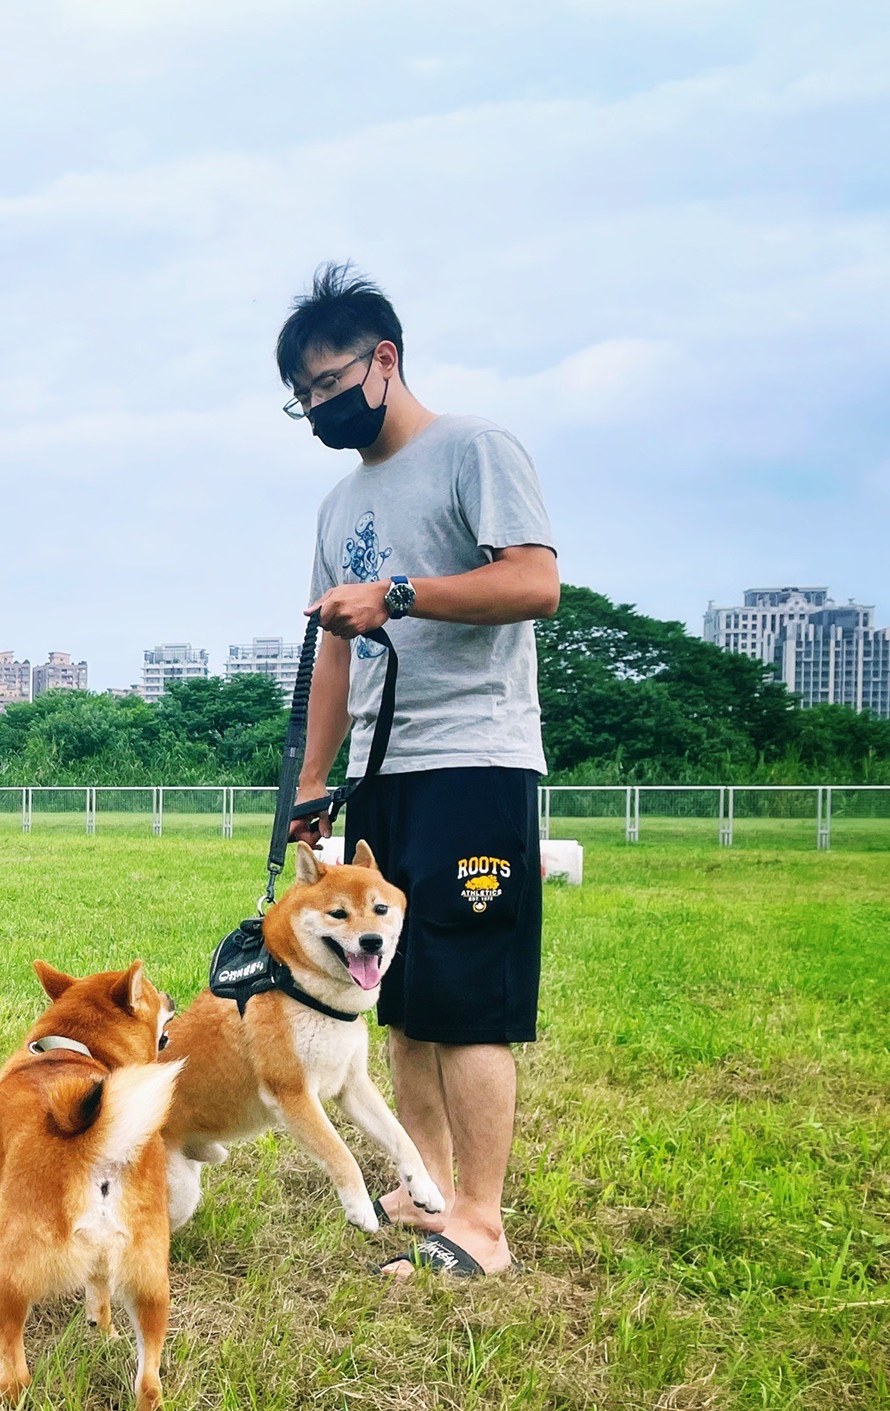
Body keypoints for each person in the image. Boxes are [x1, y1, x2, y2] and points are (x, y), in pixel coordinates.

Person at [276, 265, 558, 1280]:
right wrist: (313, 785)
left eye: (327, 382)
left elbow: (535, 581)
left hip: (473, 759)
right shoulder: (337, 504)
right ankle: (428, 1185)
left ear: (383, 359)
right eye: (301, 396)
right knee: (394, 988)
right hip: (380, 773)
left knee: (470, 992)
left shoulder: (474, 450)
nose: (317, 406)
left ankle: (479, 1223)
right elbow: (333, 656)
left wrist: (397, 593)